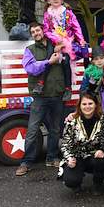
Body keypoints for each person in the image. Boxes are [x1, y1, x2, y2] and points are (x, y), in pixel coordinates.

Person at [15, 22, 65, 176]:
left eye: (38, 30)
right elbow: (30, 68)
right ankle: (26, 162)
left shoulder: (57, 45)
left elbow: (67, 62)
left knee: (55, 130)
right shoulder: (30, 50)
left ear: (43, 31)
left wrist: (62, 51)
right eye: (33, 32)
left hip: (57, 95)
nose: (36, 33)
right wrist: (49, 62)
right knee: (32, 130)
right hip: (40, 97)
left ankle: (51, 158)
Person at [60, 92, 104, 195]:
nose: (87, 106)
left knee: (101, 161)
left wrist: (103, 150)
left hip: (95, 157)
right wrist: (69, 158)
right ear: (79, 106)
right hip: (77, 156)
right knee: (71, 180)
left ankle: (98, 183)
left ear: (96, 105)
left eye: (90, 103)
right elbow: (65, 144)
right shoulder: (72, 121)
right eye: (84, 104)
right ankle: (76, 183)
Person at [42, 0, 86, 101]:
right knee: (48, 59)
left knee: (66, 62)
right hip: (53, 42)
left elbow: (76, 27)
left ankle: (68, 89)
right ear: (49, 1)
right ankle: (41, 83)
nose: (55, 0)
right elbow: (46, 30)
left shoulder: (68, 14)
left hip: (67, 42)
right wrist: (56, 40)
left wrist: (80, 40)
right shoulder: (47, 15)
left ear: (62, 0)